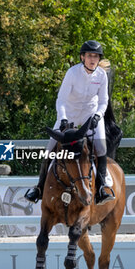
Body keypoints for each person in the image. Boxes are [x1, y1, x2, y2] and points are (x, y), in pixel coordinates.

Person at [25, 40, 115, 205]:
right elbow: (61, 99)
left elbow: (103, 101)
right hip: (70, 115)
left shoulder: (102, 76)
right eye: (89, 56)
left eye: (95, 56)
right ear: (83, 57)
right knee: (50, 148)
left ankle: (101, 188)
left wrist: (97, 116)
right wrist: (63, 118)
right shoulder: (72, 73)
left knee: (101, 147)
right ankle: (38, 188)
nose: (93, 59)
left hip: (90, 116)